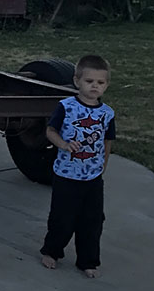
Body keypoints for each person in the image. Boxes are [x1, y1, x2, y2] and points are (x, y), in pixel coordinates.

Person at [39, 55, 116, 279]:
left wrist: (103, 165)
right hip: (66, 174)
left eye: (100, 83)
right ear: (77, 81)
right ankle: (52, 251)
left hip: (92, 177)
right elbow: (50, 131)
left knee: (93, 220)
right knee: (62, 217)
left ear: (106, 85)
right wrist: (62, 144)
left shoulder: (107, 114)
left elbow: (107, 141)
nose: (94, 86)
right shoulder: (66, 107)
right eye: (89, 81)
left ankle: (88, 261)